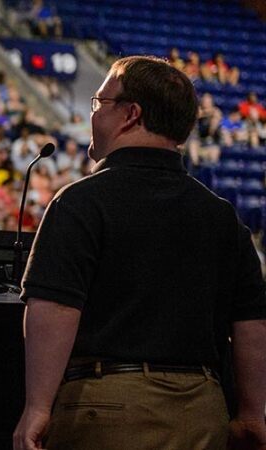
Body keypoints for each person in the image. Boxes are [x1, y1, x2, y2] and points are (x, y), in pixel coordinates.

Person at [13, 56, 266, 450]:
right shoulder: (221, 215)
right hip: (203, 409)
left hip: (109, 407)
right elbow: (252, 323)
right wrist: (251, 413)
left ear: (130, 114)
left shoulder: (81, 203)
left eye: (99, 103)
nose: (93, 115)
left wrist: (37, 407)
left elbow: (55, 308)